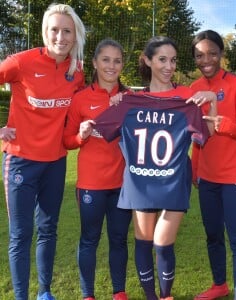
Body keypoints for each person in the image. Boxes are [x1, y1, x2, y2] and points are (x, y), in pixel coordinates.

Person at [86, 36, 217, 300]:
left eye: (173, 60)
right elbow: (100, 127)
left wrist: (212, 101)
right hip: (141, 181)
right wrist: (112, 105)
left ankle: (165, 294)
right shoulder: (131, 100)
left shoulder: (186, 98)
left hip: (174, 179)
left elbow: (207, 133)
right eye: (162, 59)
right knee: (143, 242)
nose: (169, 66)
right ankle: (151, 297)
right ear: (147, 60)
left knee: (162, 242)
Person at [0, 4, 86, 300]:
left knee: (48, 230)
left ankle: (44, 292)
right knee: (21, 236)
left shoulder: (76, 73)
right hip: (20, 162)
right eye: (54, 29)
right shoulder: (20, 62)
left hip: (56, 163)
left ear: (75, 37)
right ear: (44, 32)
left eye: (67, 31)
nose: (60, 36)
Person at [63, 38, 132, 300]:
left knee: (119, 240)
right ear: (94, 63)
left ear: (122, 64)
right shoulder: (80, 99)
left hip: (123, 185)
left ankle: (119, 292)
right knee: (89, 239)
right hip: (91, 184)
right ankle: (87, 294)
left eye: (117, 61)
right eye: (106, 59)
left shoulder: (130, 99)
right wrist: (82, 135)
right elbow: (67, 141)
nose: (111, 66)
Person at [190, 30, 236, 300]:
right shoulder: (193, 90)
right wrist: (195, 171)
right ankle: (220, 285)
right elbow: (194, 136)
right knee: (213, 234)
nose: (206, 60)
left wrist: (223, 125)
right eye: (200, 55)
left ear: (221, 54)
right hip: (207, 177)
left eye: (212, 53)